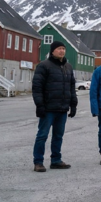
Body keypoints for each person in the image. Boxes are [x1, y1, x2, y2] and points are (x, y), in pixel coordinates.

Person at [31, 41, 77, 172]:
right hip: (48, 108)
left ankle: (56, 160)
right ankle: (38, 162)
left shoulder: (68, 67)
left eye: (63, 48)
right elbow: (37, 87)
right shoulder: (43, 66)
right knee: (42, 135)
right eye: (59, 49)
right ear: (52, 51)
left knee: (58, 136)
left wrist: (73, 104)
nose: (62, 51)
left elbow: (71, 87)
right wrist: (39, 105)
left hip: (62, 109)